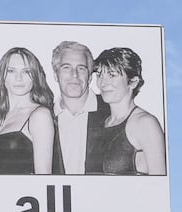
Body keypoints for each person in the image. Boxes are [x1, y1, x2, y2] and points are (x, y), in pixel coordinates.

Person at [94, 47, 167, 175]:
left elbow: (159, 186)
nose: (102, 83)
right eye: (99, 75)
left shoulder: (145, 124)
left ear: (133, 82)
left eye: (112, 75)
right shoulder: (99, 122)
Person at [0, 47, 57, 175]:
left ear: (35, 76)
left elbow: (44, 177)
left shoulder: (40, 116)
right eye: (11, 71)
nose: (19, 78)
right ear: (1, 76)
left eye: (26, 71)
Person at [51, 41, 111, 174]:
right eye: (66, 67)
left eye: (81, 68)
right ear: (56, 75)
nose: (74, 75)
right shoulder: (44, 119)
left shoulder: (112, 112)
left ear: (89, 77)